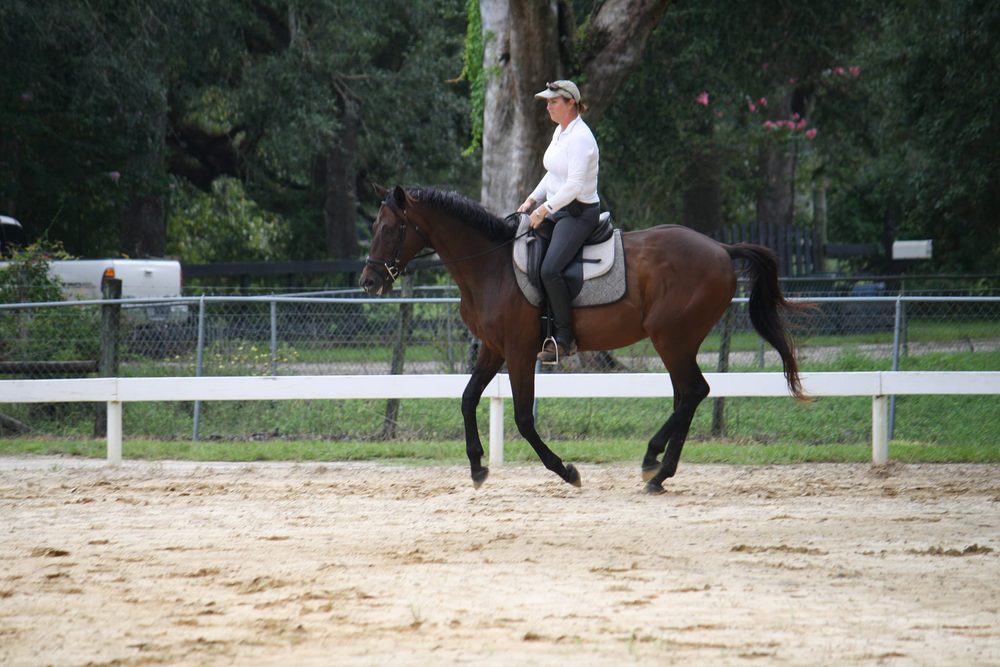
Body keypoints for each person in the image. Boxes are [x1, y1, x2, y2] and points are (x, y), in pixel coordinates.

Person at [517, 80, 601, 364]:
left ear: (570, 104)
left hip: (578, 213)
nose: (549, 106)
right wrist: (531, 199)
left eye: (553, 102)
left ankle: (564, 338)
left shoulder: (581, 138)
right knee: (527, 252)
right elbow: (553, 175)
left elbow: (575, 185)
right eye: (548, 102)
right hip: (558, 210)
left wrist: (544, 210)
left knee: (551, 269)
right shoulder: (560, 132)